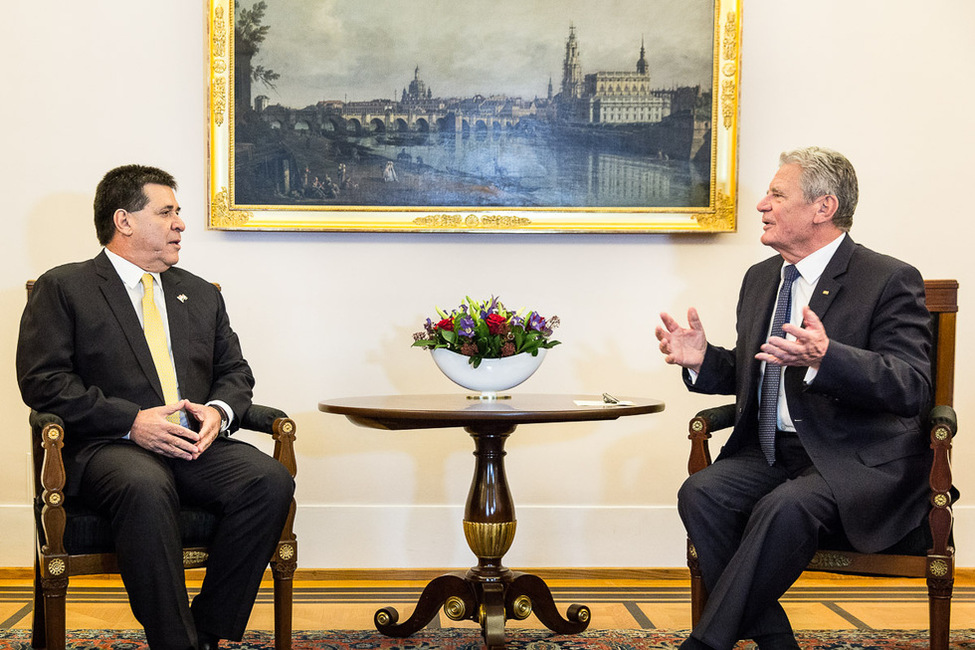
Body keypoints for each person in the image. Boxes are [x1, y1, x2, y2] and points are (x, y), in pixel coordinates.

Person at [655, 147, 932, 650]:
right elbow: (754, 366)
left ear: (823, 208)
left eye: (777, 195)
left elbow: (911, 384)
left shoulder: (888, 278)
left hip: (855, 457)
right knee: (702, 493)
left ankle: (705, 644)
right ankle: (775, 642)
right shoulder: (762, 277)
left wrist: (828, 359)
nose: (761, 204)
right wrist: (701, 360)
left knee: (785, 507)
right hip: (771, 451)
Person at [17, 165, 296, 650]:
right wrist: (131, 422)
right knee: (144, 483)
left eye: (178, 212)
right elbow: (44, 383)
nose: (180, 223)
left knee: (268, 480)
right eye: (167, 212)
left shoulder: (201, 294)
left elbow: (236, 373)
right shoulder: (64, 287)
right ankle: (175, 643)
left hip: (193, 441)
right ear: (124, 221)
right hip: (107, 446)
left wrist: (219, 412)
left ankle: (207, 633)